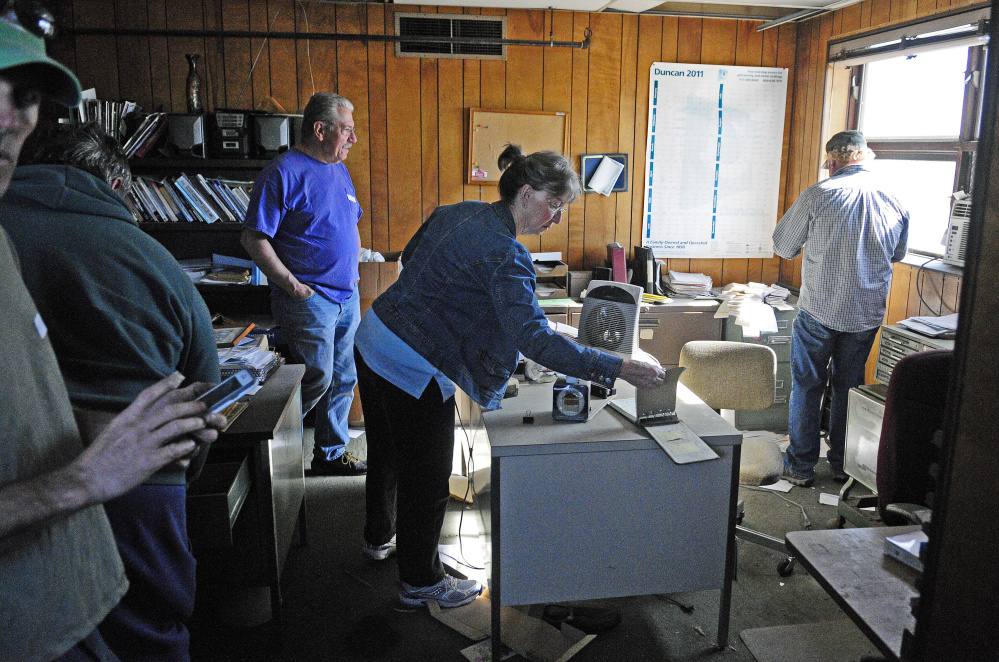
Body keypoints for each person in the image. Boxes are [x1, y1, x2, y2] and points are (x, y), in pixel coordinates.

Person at [0, 7, 226, 662]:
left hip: (66, 595)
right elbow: (204, 387)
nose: (13, 116)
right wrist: (88, 475)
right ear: (121, 186)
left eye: (27, 98)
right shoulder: (155, 265)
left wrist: (110, 432)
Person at [354, 144, 666, 608]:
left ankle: (379, 538)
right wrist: (617, 366)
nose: (557, 218)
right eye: (555, 204)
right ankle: (420, 583)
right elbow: (534, 342)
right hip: (411, 367)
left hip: (373, 336)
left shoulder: (456, 211)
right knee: (428, 478)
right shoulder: (507, 253)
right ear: (526, 193)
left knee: (386, 453)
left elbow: (413, 259)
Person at [772, 130, 909, 487]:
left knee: (807, 385)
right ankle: (841, 465)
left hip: (820, 309)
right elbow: (897, 255)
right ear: (865, 158)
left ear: (832, 163)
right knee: (849, 386)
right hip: (865, 313)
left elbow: (784, 247)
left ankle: (801, 467)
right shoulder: (895, 198)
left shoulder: (819, 194)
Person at [241, 92, 366, 476]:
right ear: (320, 129)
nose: (353, 139)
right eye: (346, 130)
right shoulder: (283, 171)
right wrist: (292, 284)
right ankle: (267, 446)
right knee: (318, 377)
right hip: (309, 298)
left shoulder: (338, 169)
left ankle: (328, 455)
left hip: (347, 294)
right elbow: (253, 238)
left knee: (344, 377)